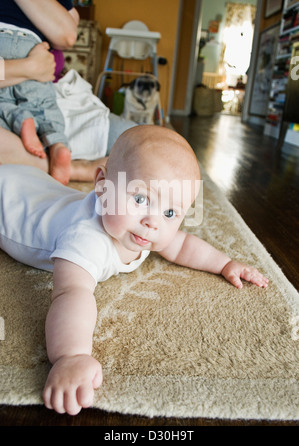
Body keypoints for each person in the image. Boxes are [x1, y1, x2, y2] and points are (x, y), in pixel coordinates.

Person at [0, 125, 269, 416]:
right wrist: (70, 356)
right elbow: (71, 293)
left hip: (34, 184)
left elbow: (182, 245)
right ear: (101, 187)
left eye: (170, 213)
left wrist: (226, 264)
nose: (153, 222)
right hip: (7, 197)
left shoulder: (144, 229)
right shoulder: (86, 238)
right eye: (140, 199)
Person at [0, 0, 79, 184]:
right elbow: (72, 24)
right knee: (43, 104)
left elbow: (68, 33)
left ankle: (21, 118)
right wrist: (30, 68)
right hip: (29, 43)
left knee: (2, 102)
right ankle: (58, 145)